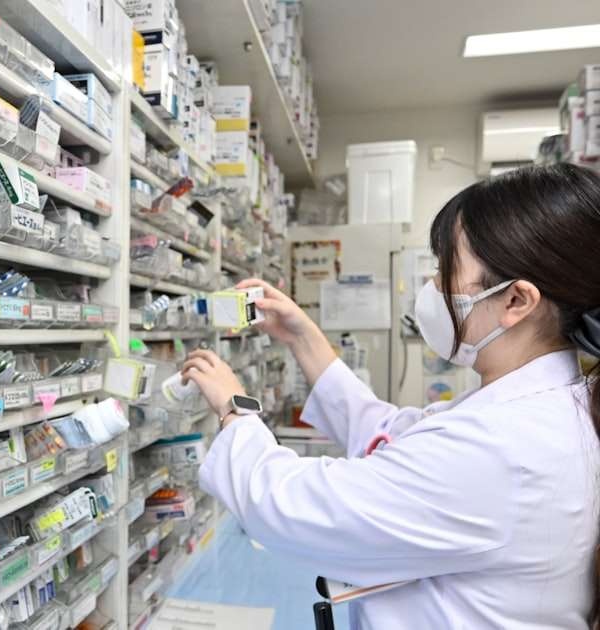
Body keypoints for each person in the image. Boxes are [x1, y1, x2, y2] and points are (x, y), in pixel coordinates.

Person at [182, 163, 600, 629]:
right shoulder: (544, 406)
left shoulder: (504, 447)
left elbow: (293, 508)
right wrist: (302, 337)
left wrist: (234, 409)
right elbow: (389, 435)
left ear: (516, 301)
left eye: (446, 270)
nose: (433, 287)